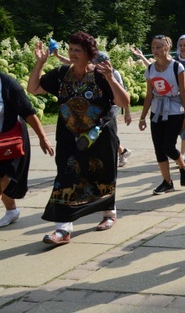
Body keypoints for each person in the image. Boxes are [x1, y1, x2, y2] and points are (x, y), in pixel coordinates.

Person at [27, 32, 130, 245]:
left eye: (78, 50)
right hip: (68, 138)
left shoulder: (101, 75)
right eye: (71, 49)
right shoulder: (61, 74)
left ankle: (109, 213)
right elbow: (33, 88)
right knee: (65, 178)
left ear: (89, 53)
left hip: (98, 138)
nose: (72, 54)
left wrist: (111, 79)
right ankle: (63, 229)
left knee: (102, 175)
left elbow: (122, 101)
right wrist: (39, 64)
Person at [138, 35, 185, 195]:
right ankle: (167, 181)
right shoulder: (150, 69)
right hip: (157, 111)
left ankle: (183, 166)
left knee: (168, 146)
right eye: (153, 47)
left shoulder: (177, 67)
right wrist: (142, 117)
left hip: (174, 111)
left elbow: (183, 93)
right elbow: (149, 95)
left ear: (167, 48)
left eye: (159, 47)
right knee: (158, 149)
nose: (155, 50)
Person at [0, 72, 54, 228]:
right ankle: (12, 211)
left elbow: (28, 112)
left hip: (10, 140)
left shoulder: (8, 83)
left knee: (4, 176)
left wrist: (43, 138)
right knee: (4, 181)